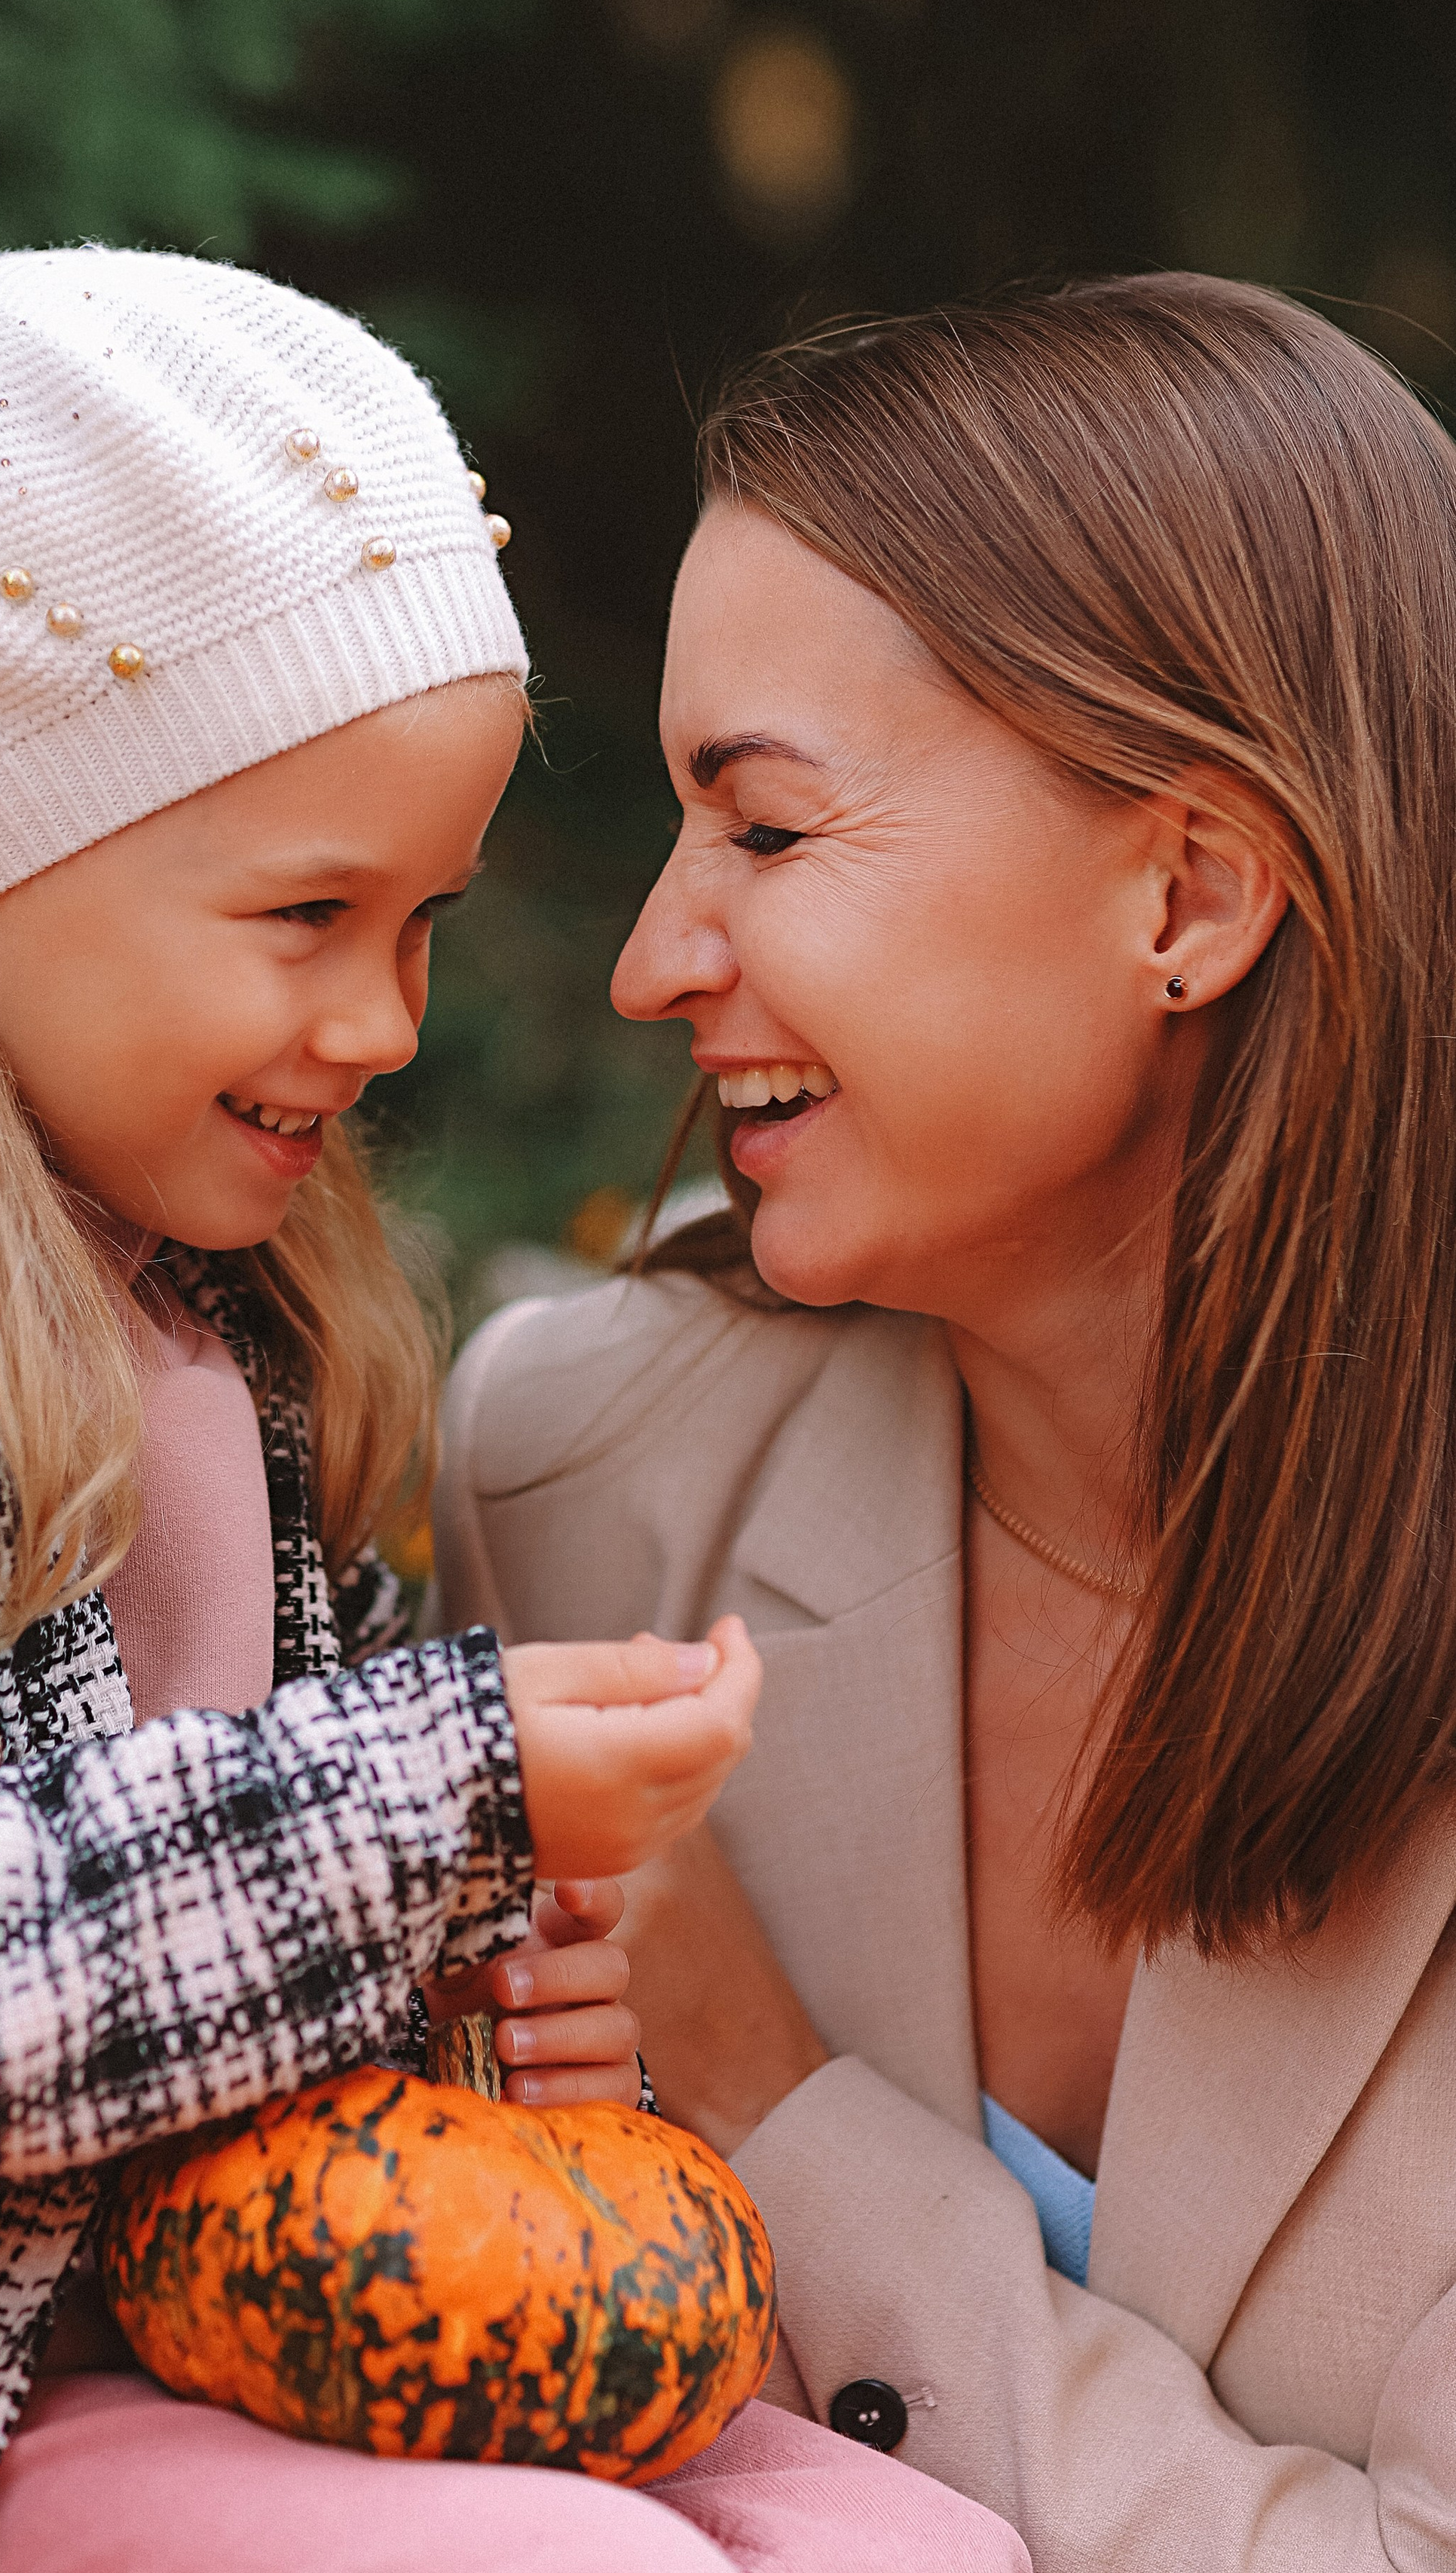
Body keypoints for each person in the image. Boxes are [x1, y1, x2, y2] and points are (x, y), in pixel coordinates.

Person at [0, 247, 1025, 2573]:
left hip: (186, 2331)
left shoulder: (240, 1297)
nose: (392, 1020)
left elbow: (235, 1934)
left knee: (910, 2549)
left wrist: (502, 1995)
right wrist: (442, 1784)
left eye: (424, 923)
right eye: (310, 914)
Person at [436, 273, 1456, 2571]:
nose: (651, 959)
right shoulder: (579, 1488)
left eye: (768, 836)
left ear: (1190, 892)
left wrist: (776, 2103)